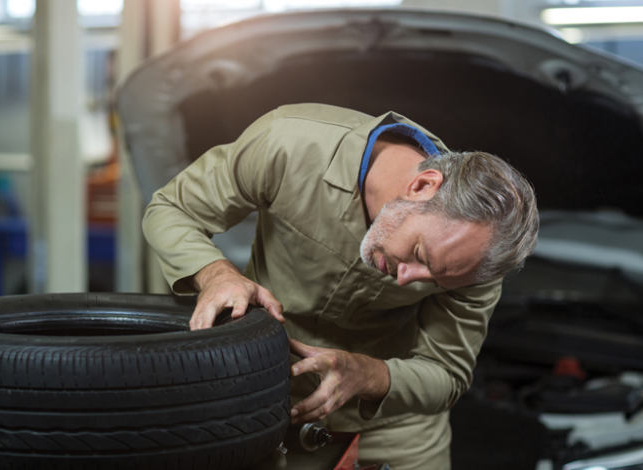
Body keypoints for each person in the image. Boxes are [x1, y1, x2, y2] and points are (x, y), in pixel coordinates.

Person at [142, 103, 538, 470]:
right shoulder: (290, 144)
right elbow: (172, 209)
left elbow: (446, 372)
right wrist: (217, 274)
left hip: (394, 429)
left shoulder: (476, 258)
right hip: (262, 399)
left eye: (433, 282)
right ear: (422, 186)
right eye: (419, 254)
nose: (408, 279)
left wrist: (368, 374)